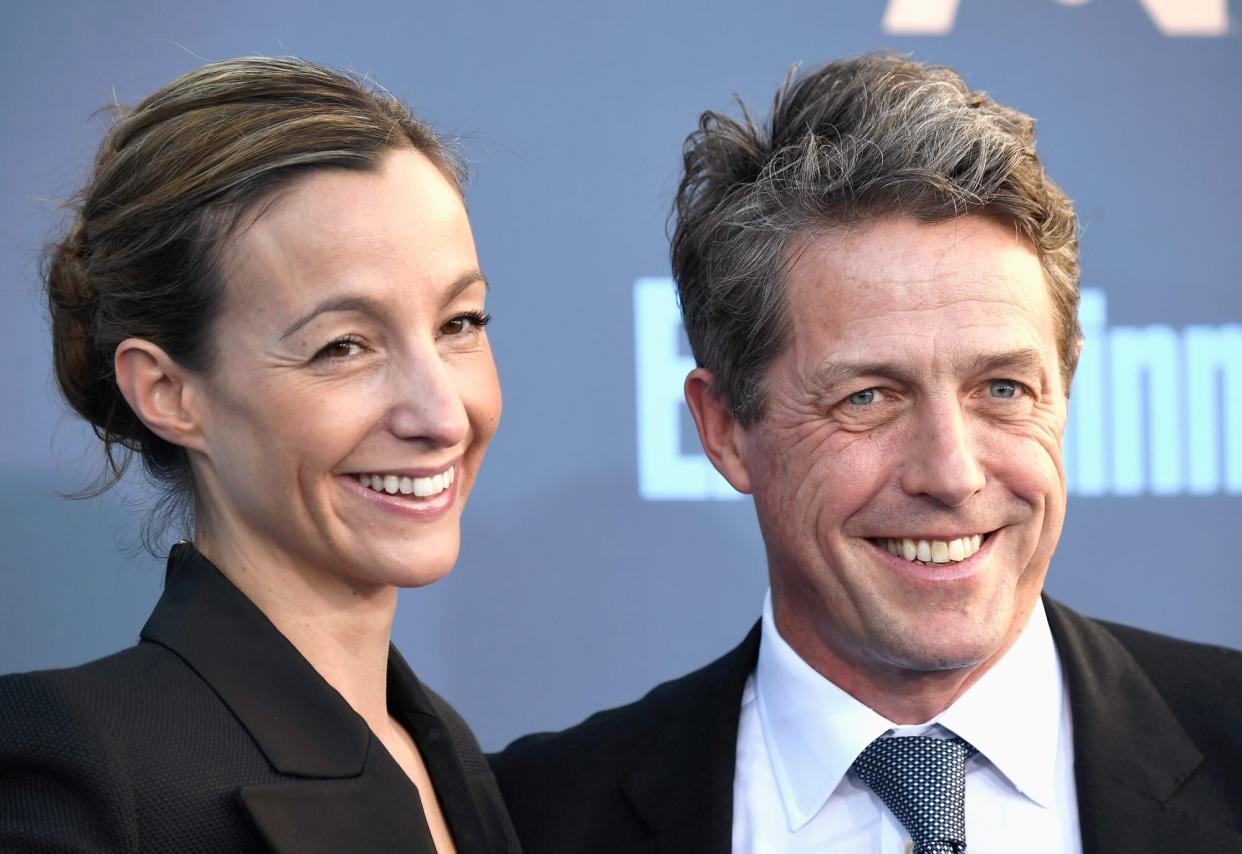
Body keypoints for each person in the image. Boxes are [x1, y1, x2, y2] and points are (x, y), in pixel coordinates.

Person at [490, 53, 1242, 853]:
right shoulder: (533, 821)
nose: (951, 473)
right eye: (868, 398)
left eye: (1002, 389)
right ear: (722, 429)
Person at [0, 57, 518, 853]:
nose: (442, 414)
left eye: (460, 324)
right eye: (343, 346)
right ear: (170, 393)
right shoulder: (81, 770)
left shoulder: (450, 755)